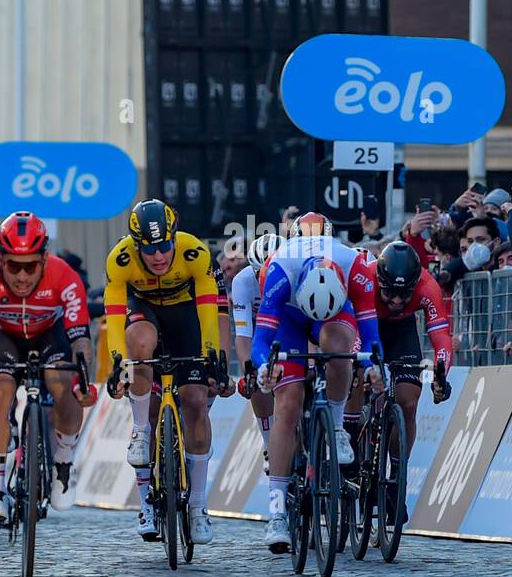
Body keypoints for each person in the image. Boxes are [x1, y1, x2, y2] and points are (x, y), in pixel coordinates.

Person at [248, 232, 382, 552]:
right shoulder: (278, 272)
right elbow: (260, 341)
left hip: (337, 313)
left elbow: (371, 333)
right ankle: (277, 513)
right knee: (288, 404)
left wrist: (378, 366)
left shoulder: (356, 268)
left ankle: (335, 427)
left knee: (340, 350)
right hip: (290, 318)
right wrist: (265, 366)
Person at [104, 200, 226, 543]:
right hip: (145, 314)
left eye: (164, 247)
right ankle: (141, 434)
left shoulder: (194, 252)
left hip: (186, 318)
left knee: (195, 403)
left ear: (174, 238)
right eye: (149, 249)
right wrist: (118, 361)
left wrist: (210, 355)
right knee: (139, 346)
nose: (158, 256)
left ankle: (199, 507)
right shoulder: (120, 259)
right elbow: (114, 317)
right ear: (136, 245)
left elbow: (208, 312)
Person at [0, 211, 96, 525]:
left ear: (44, 259)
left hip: (49, 337)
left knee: (62, 382)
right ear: (0, 260)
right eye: (13, 266)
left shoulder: (65, 276)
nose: (21, 277)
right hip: (4, 338)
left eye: (30, 267)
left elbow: (81, 341)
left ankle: (63, 462)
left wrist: (83, 379)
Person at [368, 241, 453, 526]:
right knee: (359, 379)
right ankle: (354, 439)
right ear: (379, 280)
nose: (396, 301)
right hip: (368, 325)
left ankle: (395, 476)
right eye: (390, 292)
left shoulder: (428, 287)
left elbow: (441, 336)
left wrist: (441, 375)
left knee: (408, 402)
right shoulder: (365, 279)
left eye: (404, 295)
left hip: (403, 332)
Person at [232, 234, 285, 470]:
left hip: (288, 329)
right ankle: (268, 441)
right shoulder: (242, 282)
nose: (264, 278)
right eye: (258, 273)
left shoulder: (294, 273)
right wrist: (248, 372)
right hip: (258, 333)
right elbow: (243, 336)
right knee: (255, 376)